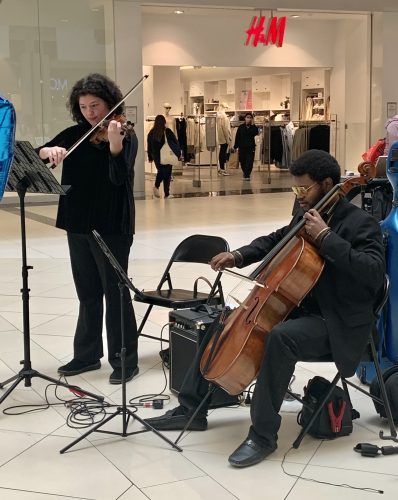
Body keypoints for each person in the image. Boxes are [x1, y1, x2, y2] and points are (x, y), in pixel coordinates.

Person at [145, 149, 385, 468]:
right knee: (220, 320)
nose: (298, 196)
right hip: (301, 308)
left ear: (328, 183)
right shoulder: (306, 211)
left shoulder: (360, 223)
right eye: (295, 189)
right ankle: (191, 409)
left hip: (339, 321)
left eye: (304, 188)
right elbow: (278, 239)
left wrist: (326, 238)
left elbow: (372, 270)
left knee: (281, 338)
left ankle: (262, 435)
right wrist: (239, 256)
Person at [37, 73, 139, 385]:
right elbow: (42, 151)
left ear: (109, 103)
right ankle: (86, 355)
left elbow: (120, 178)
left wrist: (115, 144)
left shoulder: (124, 133)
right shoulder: (75, 133)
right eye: (83, 107)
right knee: (88, 292)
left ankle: (125, 360)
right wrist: (49, 152)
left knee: (116, 292)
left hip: (111, 225)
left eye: (95, 105)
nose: (90, 113)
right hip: (77, 222)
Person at [147, 114, 181, 198]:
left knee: (161, 172)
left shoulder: (151, 133)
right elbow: (175, 142)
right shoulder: (167, 131)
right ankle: (164, 191)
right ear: (164, 122)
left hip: (156, 156)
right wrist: (178, 153)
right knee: (167, 173)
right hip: (167, 155)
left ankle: (159, 188)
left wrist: (150, 157)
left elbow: (149, 146)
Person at [233, 112, 259, 180]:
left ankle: (247, 175)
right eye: (247, 117)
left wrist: (253, 125)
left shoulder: (253, 127)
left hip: (251, 147)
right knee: (242, 161)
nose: (249, 119)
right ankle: (245, 173)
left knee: (250, 161)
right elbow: (237, 137)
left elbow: (256, 133)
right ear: (245, 118)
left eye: (250, 118)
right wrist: (235, 146)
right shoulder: (241, 127)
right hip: (242, 147)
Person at [217, 103, 232, 176]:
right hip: (224, 137)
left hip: (221, 136)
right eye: (226, 108)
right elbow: (226, 129)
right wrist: (228, 139)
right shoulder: (224, 117)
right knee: (223, 152)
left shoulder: (219, 117)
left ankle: (221, 169)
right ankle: (222, 169)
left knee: (221, 152)